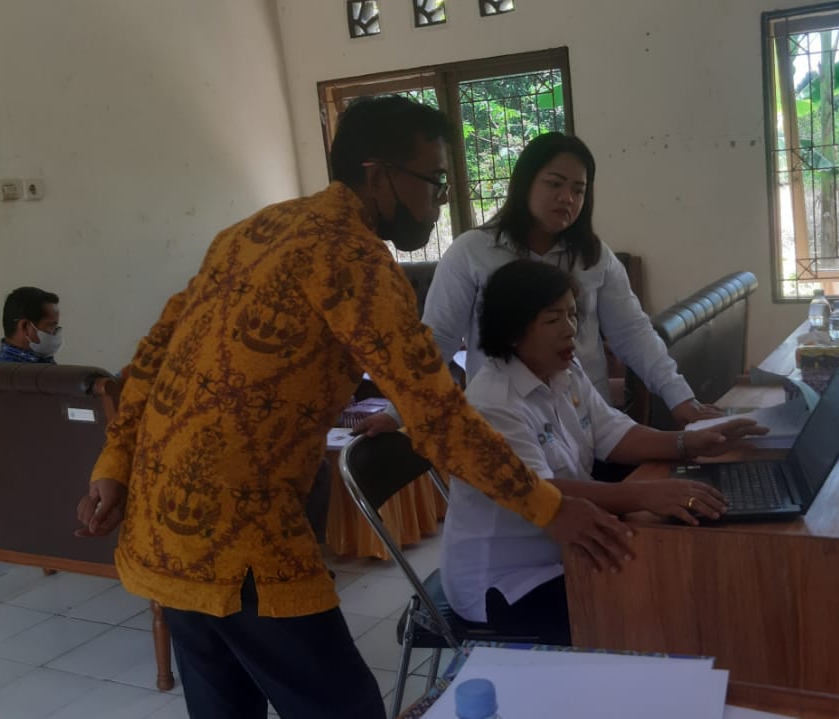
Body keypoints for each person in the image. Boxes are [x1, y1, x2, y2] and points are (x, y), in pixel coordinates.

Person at [74, 96, 634, 719]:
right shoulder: (353, 258)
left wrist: (113, 464)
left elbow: (150, 358)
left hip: (160, 522)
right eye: (434, 181)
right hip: (243, 535)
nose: (440, 201)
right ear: (379, 175)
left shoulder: (250, 231)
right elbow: (438, 416)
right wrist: (549, 507)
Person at [441, 260, 764, 645]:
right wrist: (642, 494)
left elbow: (612, 432)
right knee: (655, 608)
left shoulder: (564, 370)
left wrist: (688, 442)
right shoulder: (492, 403)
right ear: (512, 331)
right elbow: (541, 492)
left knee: (682, 578)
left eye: (572, 314)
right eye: (552, 319)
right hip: (508, 580)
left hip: (571, 546)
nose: (569, 329)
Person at [356, 131, 723, 441]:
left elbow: (633, 333)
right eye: (555, 184)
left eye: (579, 190)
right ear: (525, 183)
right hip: (507, 428)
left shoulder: (593, 256)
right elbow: (438, 341)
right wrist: (396, 411)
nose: (567, 198)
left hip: (589, 425)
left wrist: (681, 399)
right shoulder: (473, 251)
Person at [0, 286, 62, 363]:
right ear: (25, 326)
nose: (56, 333)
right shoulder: (10, 369)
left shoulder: (39, 361)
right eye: (52, 326)